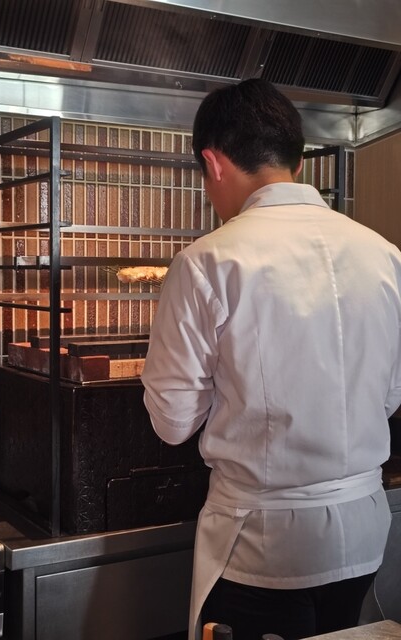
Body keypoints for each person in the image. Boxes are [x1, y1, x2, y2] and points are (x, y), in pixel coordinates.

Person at [141, 78, 401, 640]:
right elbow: (389, 395)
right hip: (362, 530)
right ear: (297, 162)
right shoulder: (384, 255)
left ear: (213, 163)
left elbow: (172, 423)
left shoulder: (206, 262)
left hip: (261, 544)